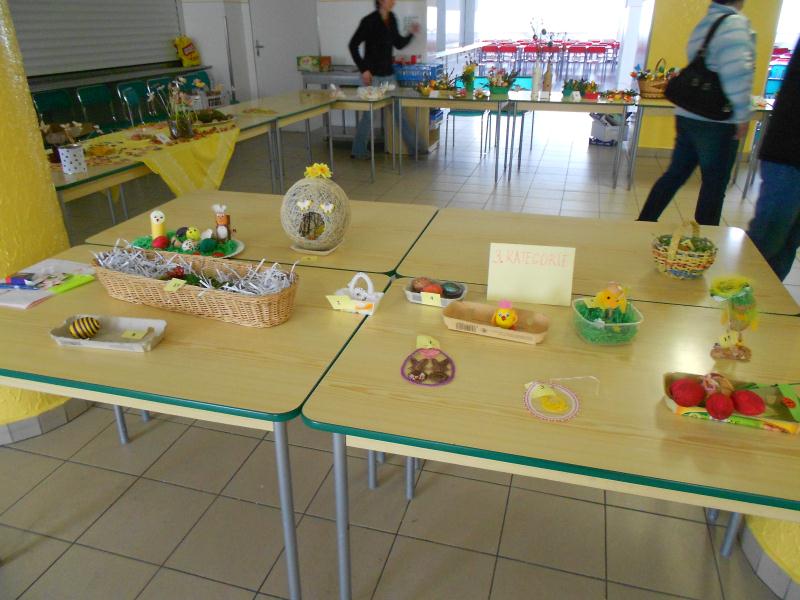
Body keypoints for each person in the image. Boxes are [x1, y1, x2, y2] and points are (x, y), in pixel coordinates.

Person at [637, 0, 755, 226]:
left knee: (676, 174)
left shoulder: (707, 22)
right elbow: (738, 75)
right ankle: (707, 234)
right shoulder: (736, 25)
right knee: (714, 183)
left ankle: (644, 221)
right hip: (715, 119)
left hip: (688, 112)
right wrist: (742, 115)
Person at [747, 38, 800, 281]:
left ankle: (767, 298)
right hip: (789, 154)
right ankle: (734, 295)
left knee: (788, 241)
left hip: (788, 154)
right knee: (767, 241)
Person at [348, 0, 421, 159]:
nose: (393, 1)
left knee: (399, 113)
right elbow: (353, 45)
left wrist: (411, 33)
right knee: (369, 116)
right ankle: (358, 150)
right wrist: (364, 69)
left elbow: (398, 44)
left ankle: (414, 148)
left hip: (389, 75)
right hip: (372, 77)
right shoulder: (369, 21)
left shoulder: (392, 18)